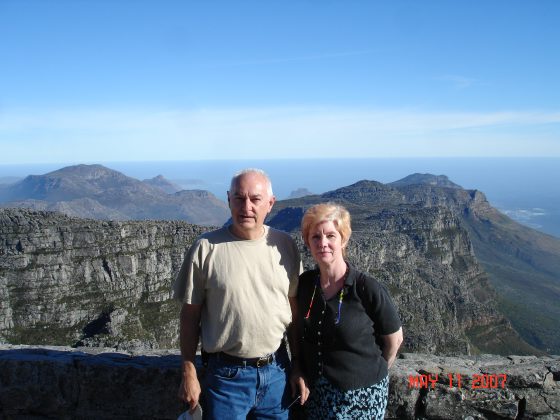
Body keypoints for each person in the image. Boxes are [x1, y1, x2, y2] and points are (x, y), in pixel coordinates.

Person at [173, 168, 309, 419]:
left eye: (255, 199)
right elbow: (190, 316)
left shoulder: (285, 245)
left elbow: (294, 312)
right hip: (226, 379)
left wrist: (298, 365)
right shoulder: (206, 248)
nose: (246, 206)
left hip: (277, 373)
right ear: (228, 200)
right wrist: (188, 371)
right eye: (239, 197)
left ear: (270, 203)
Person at [296, 202, 403, 419]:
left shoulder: (366, 288)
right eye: (316, 237)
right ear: (308, 242)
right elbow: (297, 330)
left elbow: (394, 340)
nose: (323, 243)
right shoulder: (306, 285)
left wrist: (370, 373)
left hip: (363, 396)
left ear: (343, 239)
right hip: (318, 393)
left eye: (330, 236)